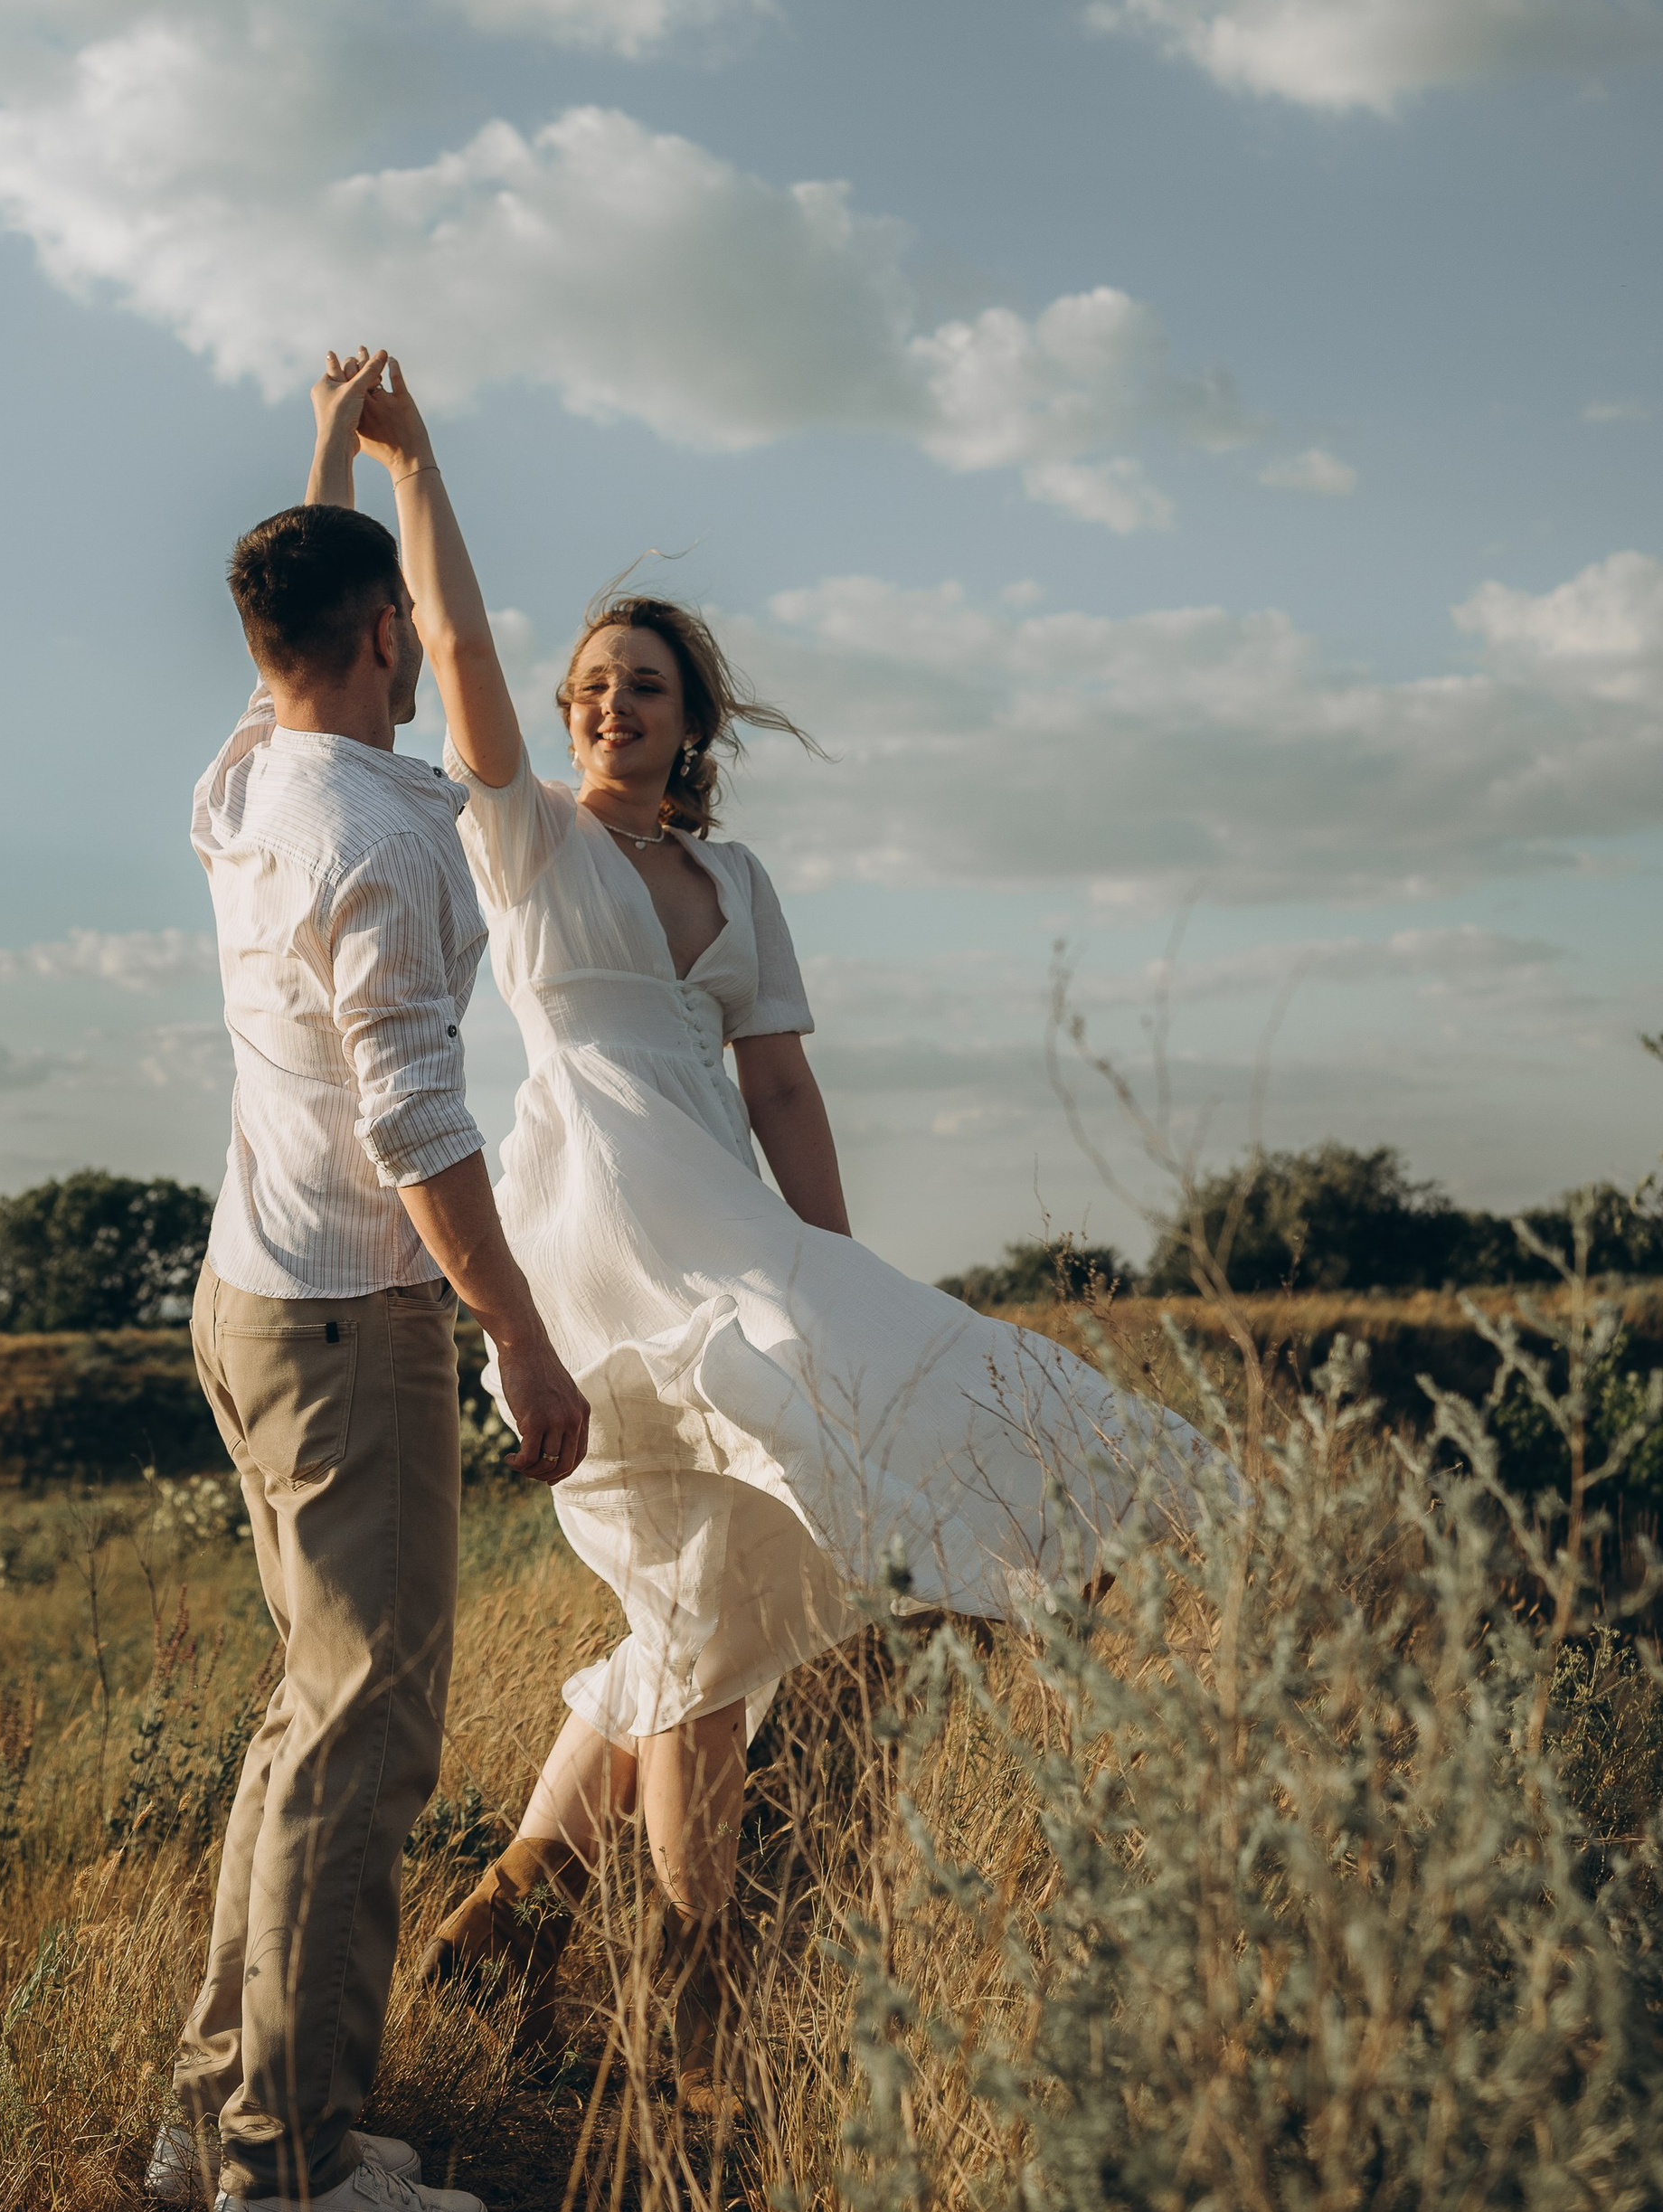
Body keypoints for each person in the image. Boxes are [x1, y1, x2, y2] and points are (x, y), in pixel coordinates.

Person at [306, 346, 1218, 2103]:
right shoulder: (517, 838)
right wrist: (405, 466)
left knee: (715, 1591)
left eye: (636, 687)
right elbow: (459, 646)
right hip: (597, 1234)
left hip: (725, 1214)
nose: (603, 707)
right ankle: (696, 2001)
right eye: (587, 685)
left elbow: (786, 1093)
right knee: (709, 1587)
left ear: (689, 719)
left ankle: (518, 1905)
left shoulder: (739, 886)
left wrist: (846, 1262)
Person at [154, 467, 589, 2212]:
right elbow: (417, 1115)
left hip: (245, 1298)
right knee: (362, 1741)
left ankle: (221, 2120)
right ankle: (297, 2181)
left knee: (299, 1716)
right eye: (398, 619)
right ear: (374, 631)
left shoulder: (246, 781)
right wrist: (516, 1328)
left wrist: (330, 460)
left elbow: (285, 644)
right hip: (347, 1316)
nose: (418, 641)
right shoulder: (375, 832)